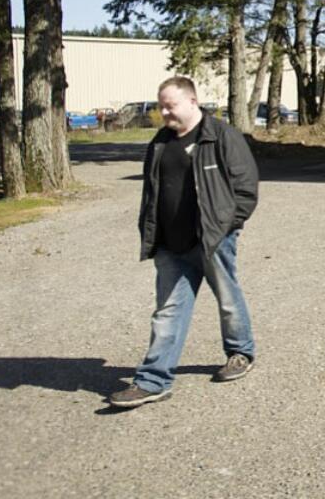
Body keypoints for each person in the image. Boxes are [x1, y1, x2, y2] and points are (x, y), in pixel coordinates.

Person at [109, 77, 259, 409]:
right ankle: (153, 380)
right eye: (161, 106)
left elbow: (246, 187)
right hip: (170, 246)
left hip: (212, 240)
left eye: (169, 106)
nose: (163, 112)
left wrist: (228, 227)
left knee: (228, 299)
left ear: (192, 101)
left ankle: (240, 352)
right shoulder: (161, 141)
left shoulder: (220, 135)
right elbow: (153, 191)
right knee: (167, 313)